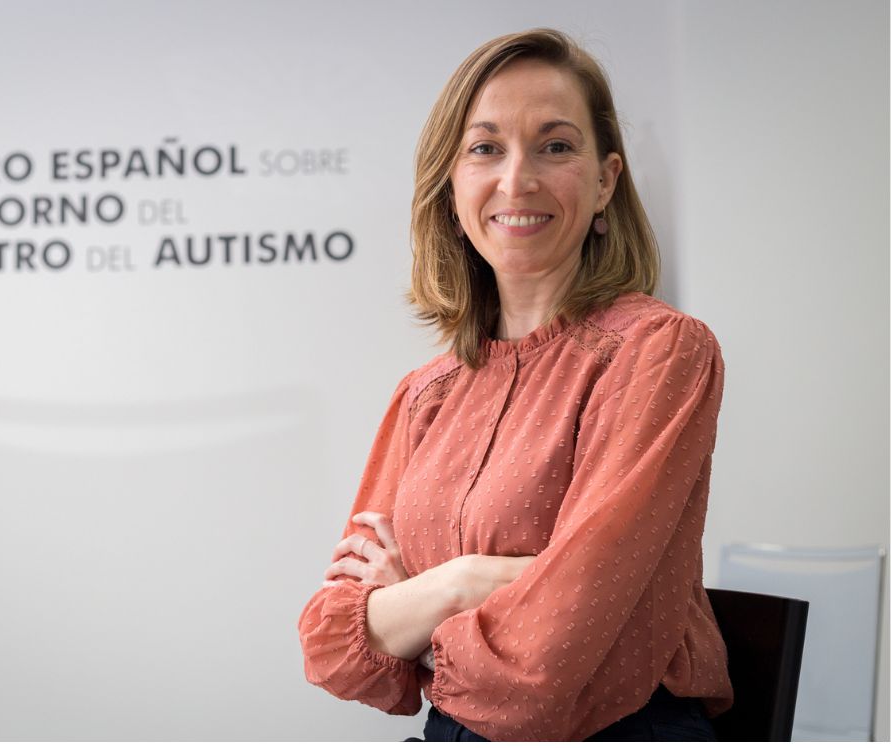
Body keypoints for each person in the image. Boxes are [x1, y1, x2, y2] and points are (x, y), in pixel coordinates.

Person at [297, 29, 734, 741]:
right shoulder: (426, 392)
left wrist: (410, 605)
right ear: (452, 184)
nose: (517, 180)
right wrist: (464, 582)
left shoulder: (658, 352)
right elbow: (330, 645)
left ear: (605, 181)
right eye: (485, 148)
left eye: (556, 146)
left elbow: (540, 666)